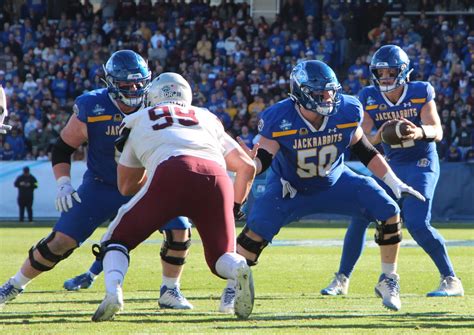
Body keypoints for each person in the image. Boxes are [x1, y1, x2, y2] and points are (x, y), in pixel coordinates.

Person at [219, 60, 424, 313]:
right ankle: (232, 287)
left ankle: (388, 280)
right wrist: (248, 163)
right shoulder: (279, 116)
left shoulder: (347, 109)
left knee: (390, 211)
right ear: (301, 93)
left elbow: (365, 150)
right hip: (290, 189)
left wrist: (394, 182)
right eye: (320, 93)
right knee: (253, 234)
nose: (328, 98)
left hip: (336, 182)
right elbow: (263, 160)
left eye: (331, 91)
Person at [0, 50, 193, 310]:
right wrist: (63, 183)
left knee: (180, 229)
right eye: (127, 83)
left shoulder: (157, 104)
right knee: (60, 242)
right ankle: (14, 284)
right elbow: (62, 148)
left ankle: (170, 290)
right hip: (101, 186)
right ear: (112, 83)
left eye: (139, 82)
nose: (135, 88)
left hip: (145, 186)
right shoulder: (93, 106)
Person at [91, 72, 256, 321]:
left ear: (153, 95)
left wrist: (156, 181)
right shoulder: (207, 117)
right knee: (221, 257)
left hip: (171, 171)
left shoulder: (137, 118)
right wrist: (232, 208)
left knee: (117, 240)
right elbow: (247, 167)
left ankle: (113, 292)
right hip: (217, 176)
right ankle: (238, 268)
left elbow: (126, 186)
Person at [321, 45, 464, 297]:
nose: (385, 76)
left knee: (418, 223)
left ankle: (451, 279)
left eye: (391, 71)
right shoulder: (369, 96)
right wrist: (381, 134)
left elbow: (437, 130)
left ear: (404, 71)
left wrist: (417, 131)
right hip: (392, 164)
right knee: (361, 214)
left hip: (422, 162)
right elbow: (364, 138)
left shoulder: (420, 90)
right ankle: (342, 279)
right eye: (381, 71)